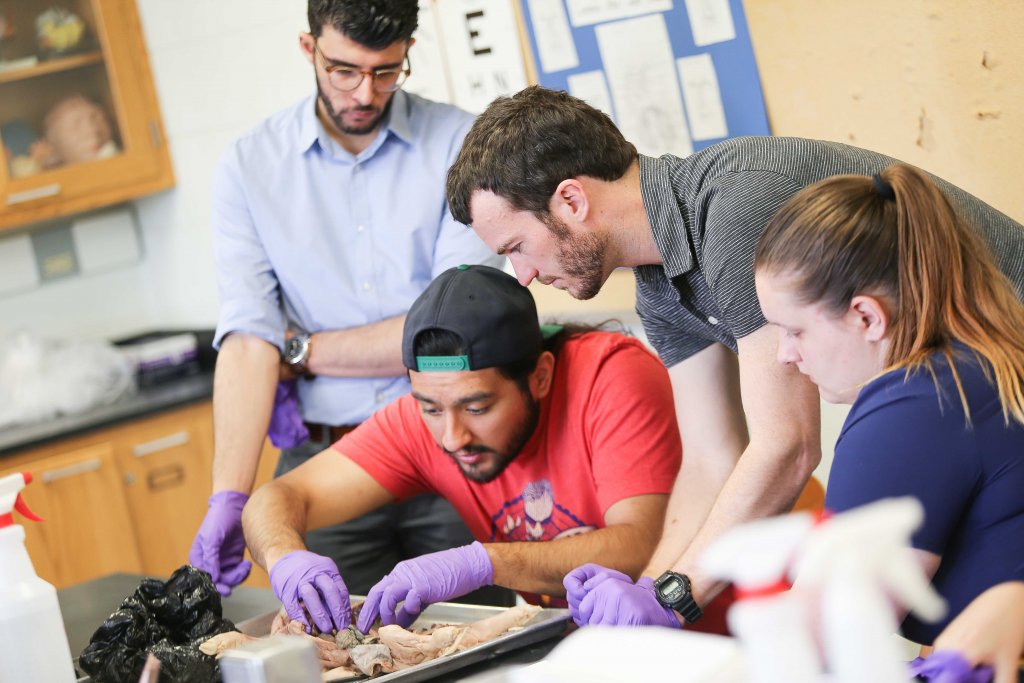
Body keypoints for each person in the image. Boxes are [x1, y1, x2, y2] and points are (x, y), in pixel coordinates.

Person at [445, 85, 1024, 627]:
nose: (523, 275)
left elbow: (789, 444)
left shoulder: (734, 209)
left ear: (571, 200)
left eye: (516, 247)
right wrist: (646, 594)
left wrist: (676, 598)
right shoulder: (660, 287)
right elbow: (709, 461)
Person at [190, 0, 502, 597]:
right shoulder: (250, 167)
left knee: (482, 641)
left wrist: (301, 350)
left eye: (386, 71)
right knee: (340, 651)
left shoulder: (464, 144)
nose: (365, 93)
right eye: (344, 71)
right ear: (310, 48)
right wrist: (230, 496)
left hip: (449, 445)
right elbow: (250, 339)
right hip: (326, 461)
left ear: (408, 49)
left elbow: (449, 329)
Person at [242, 264, 682, 634]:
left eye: (478, 406)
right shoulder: (420, 422)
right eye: (430, 408)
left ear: (540, 378)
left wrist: (483, 563)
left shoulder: (610, 376)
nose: (453, 437)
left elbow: (640, 546)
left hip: (695, 637)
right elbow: (275, 499)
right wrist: (285, 556)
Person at [750, 163, 1024, 646]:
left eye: (795, 331)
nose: (785, 356)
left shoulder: (913, 404)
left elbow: (825, 633)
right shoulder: (984, 359)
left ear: (866, 316)